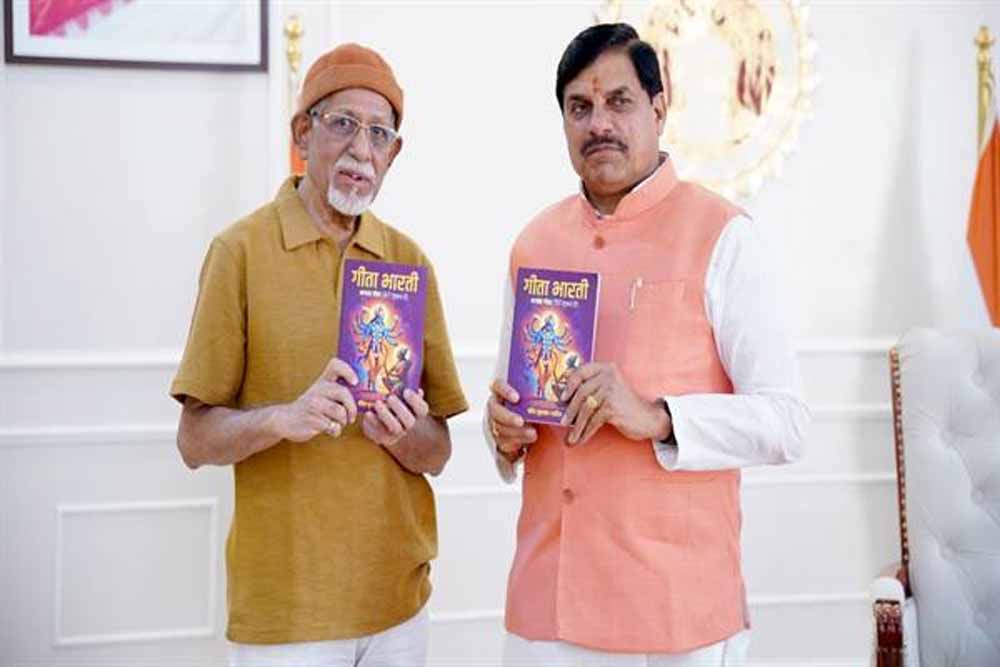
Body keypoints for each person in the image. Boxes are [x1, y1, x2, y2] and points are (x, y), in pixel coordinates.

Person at [484, 23, 810, 666]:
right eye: (580, 107)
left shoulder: (725, 236)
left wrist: (658, 415)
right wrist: (503, 432)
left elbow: (787, 422)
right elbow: (511, 411)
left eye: (619, 102)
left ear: (659, 109)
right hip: (544, 613)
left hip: (674, 616)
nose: (599, 123)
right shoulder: (534, 243)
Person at [171, 43, 468, 667]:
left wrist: (403, 433)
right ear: (303, 133)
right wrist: (283, 418)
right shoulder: (239, 252)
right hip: (287, 615)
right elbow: (194, 441)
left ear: (393, 154)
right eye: (343, 124)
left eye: (379, 134)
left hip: (398, 605)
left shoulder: (409, 262)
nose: (362, 149)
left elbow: (438, 452)